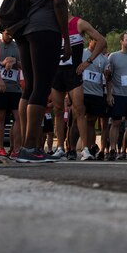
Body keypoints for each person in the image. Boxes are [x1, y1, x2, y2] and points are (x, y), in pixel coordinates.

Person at [14, 0, 70, 163]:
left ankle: (26, 147)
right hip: (45, 28)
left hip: (23, 30)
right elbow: (59, 2)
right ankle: (29, 148)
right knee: (42, 87)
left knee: (29, 87)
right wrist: (66, 37)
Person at [51, 14, 105, 160]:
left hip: (73, 72)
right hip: (57, 72)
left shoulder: (79, 23)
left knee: (79, 110)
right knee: (57, 110)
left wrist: (88, 61)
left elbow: (101, 40)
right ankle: (61, 147)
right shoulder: (51, 22)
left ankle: (86, 149)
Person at [0, 30, 22, 157]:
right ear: (2, 32)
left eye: (12, 33)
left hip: (15, 88)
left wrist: (15, 62)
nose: (10, 35)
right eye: (7, 33)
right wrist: (2, 64)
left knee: (18, 117)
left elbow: (25, 65)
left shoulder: (17, 46)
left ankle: (15, 149)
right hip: (0, 86)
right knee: (0, 117)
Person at [81, 39, 109, 158]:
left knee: (91, 121)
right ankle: (72, 149)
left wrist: (108, 74)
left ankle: (91, 148)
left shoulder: (104, 59)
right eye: (96, 41)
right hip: (81, 92)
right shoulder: (82, 53)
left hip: (96, 94)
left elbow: (107, 78)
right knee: (79, 120)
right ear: (90, 41)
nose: (98, 44)